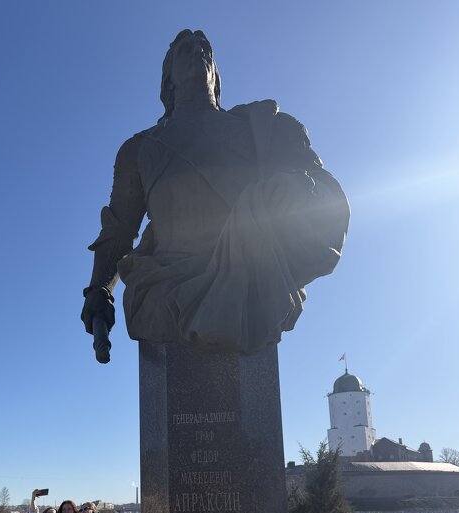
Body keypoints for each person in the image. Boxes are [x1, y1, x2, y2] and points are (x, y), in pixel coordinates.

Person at [82, 29, 350, 359]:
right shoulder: (138, 150)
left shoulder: (263, 130)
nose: (199, 52)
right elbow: (119, 229)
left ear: (216, 72)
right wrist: (99, 290)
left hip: (252, 284)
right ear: (168, 80)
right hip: (164, 291)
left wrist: (292, 191)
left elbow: (325, 193)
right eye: (185, 50)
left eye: (205, 49)